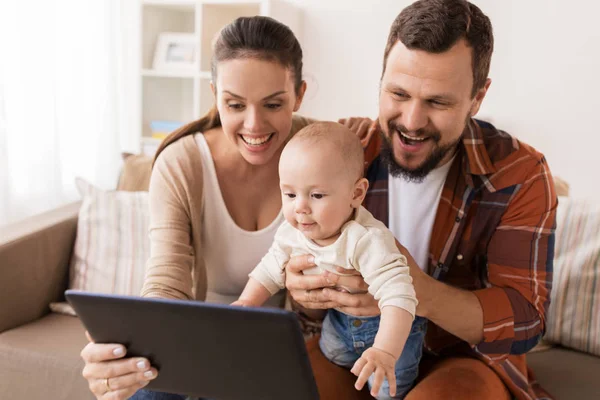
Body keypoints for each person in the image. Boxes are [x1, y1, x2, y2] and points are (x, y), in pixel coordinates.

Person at [79, 16, 376, 400]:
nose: (254, 125)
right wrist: (129, 342)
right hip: (195, 339)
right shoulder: (182, 163)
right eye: (235, 104)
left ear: (299, 94)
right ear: (215, 94)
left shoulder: (326, 152)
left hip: (286, 342)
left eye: (273, 104)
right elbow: (166, 282)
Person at [288, 1, 557, 399]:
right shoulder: (346, 150)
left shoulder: (519, 173)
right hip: (353, 350)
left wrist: (419, 291)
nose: (412, 121)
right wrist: (308, 292)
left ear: (478, 97)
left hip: (459, 359)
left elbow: (525, 321)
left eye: (437, 102)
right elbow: (307, 303)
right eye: (398, 93)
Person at [233, 121, 422, 399]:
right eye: (290, 194)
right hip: (338, 330)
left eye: (317, 195)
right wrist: (247, 303)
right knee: (330, 358)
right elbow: (270, 269)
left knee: (385, 390)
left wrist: (384, 350)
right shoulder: (292, 231)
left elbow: (400, 297)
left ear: (356, 194)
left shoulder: (366, 240)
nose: (300, 207)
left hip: (388, 334)